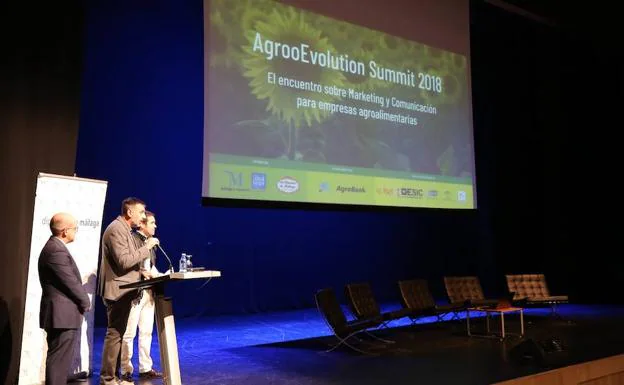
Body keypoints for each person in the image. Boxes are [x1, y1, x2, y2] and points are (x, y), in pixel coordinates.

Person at [98, 197, 159, 385]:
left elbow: (129, 262)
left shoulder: (126, 230)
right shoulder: (116, 229)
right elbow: (124, 261)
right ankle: (108, 379)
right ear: (130, 212)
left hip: (126, 289)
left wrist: (142, 271)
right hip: (118, 291)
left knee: (118, 335)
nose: (143, 217)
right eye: (141, 212)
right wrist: (147, 247)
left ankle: (115, 377)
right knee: (115, 335)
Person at [38, 213, 90, 385]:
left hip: (62, 315)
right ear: (65, 231)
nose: (76, 231)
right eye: (75, 228)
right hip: (62, 316)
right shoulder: (55, 250)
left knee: (59, 361)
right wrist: (85, 301)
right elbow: (70, 282)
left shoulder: (55, 247)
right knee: (58, 361)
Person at [120, 211, 162, 380]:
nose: (155, 226)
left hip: (149, 292)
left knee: (146, 332)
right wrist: (143, 272)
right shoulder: (133, 240)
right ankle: (126, 369)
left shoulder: (149, 243)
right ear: (142, 224)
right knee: (129, 333)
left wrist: (160, 275)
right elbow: (130, 263)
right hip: (135, 293)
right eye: (152, 223)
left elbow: (149, 266)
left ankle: (145, 367)